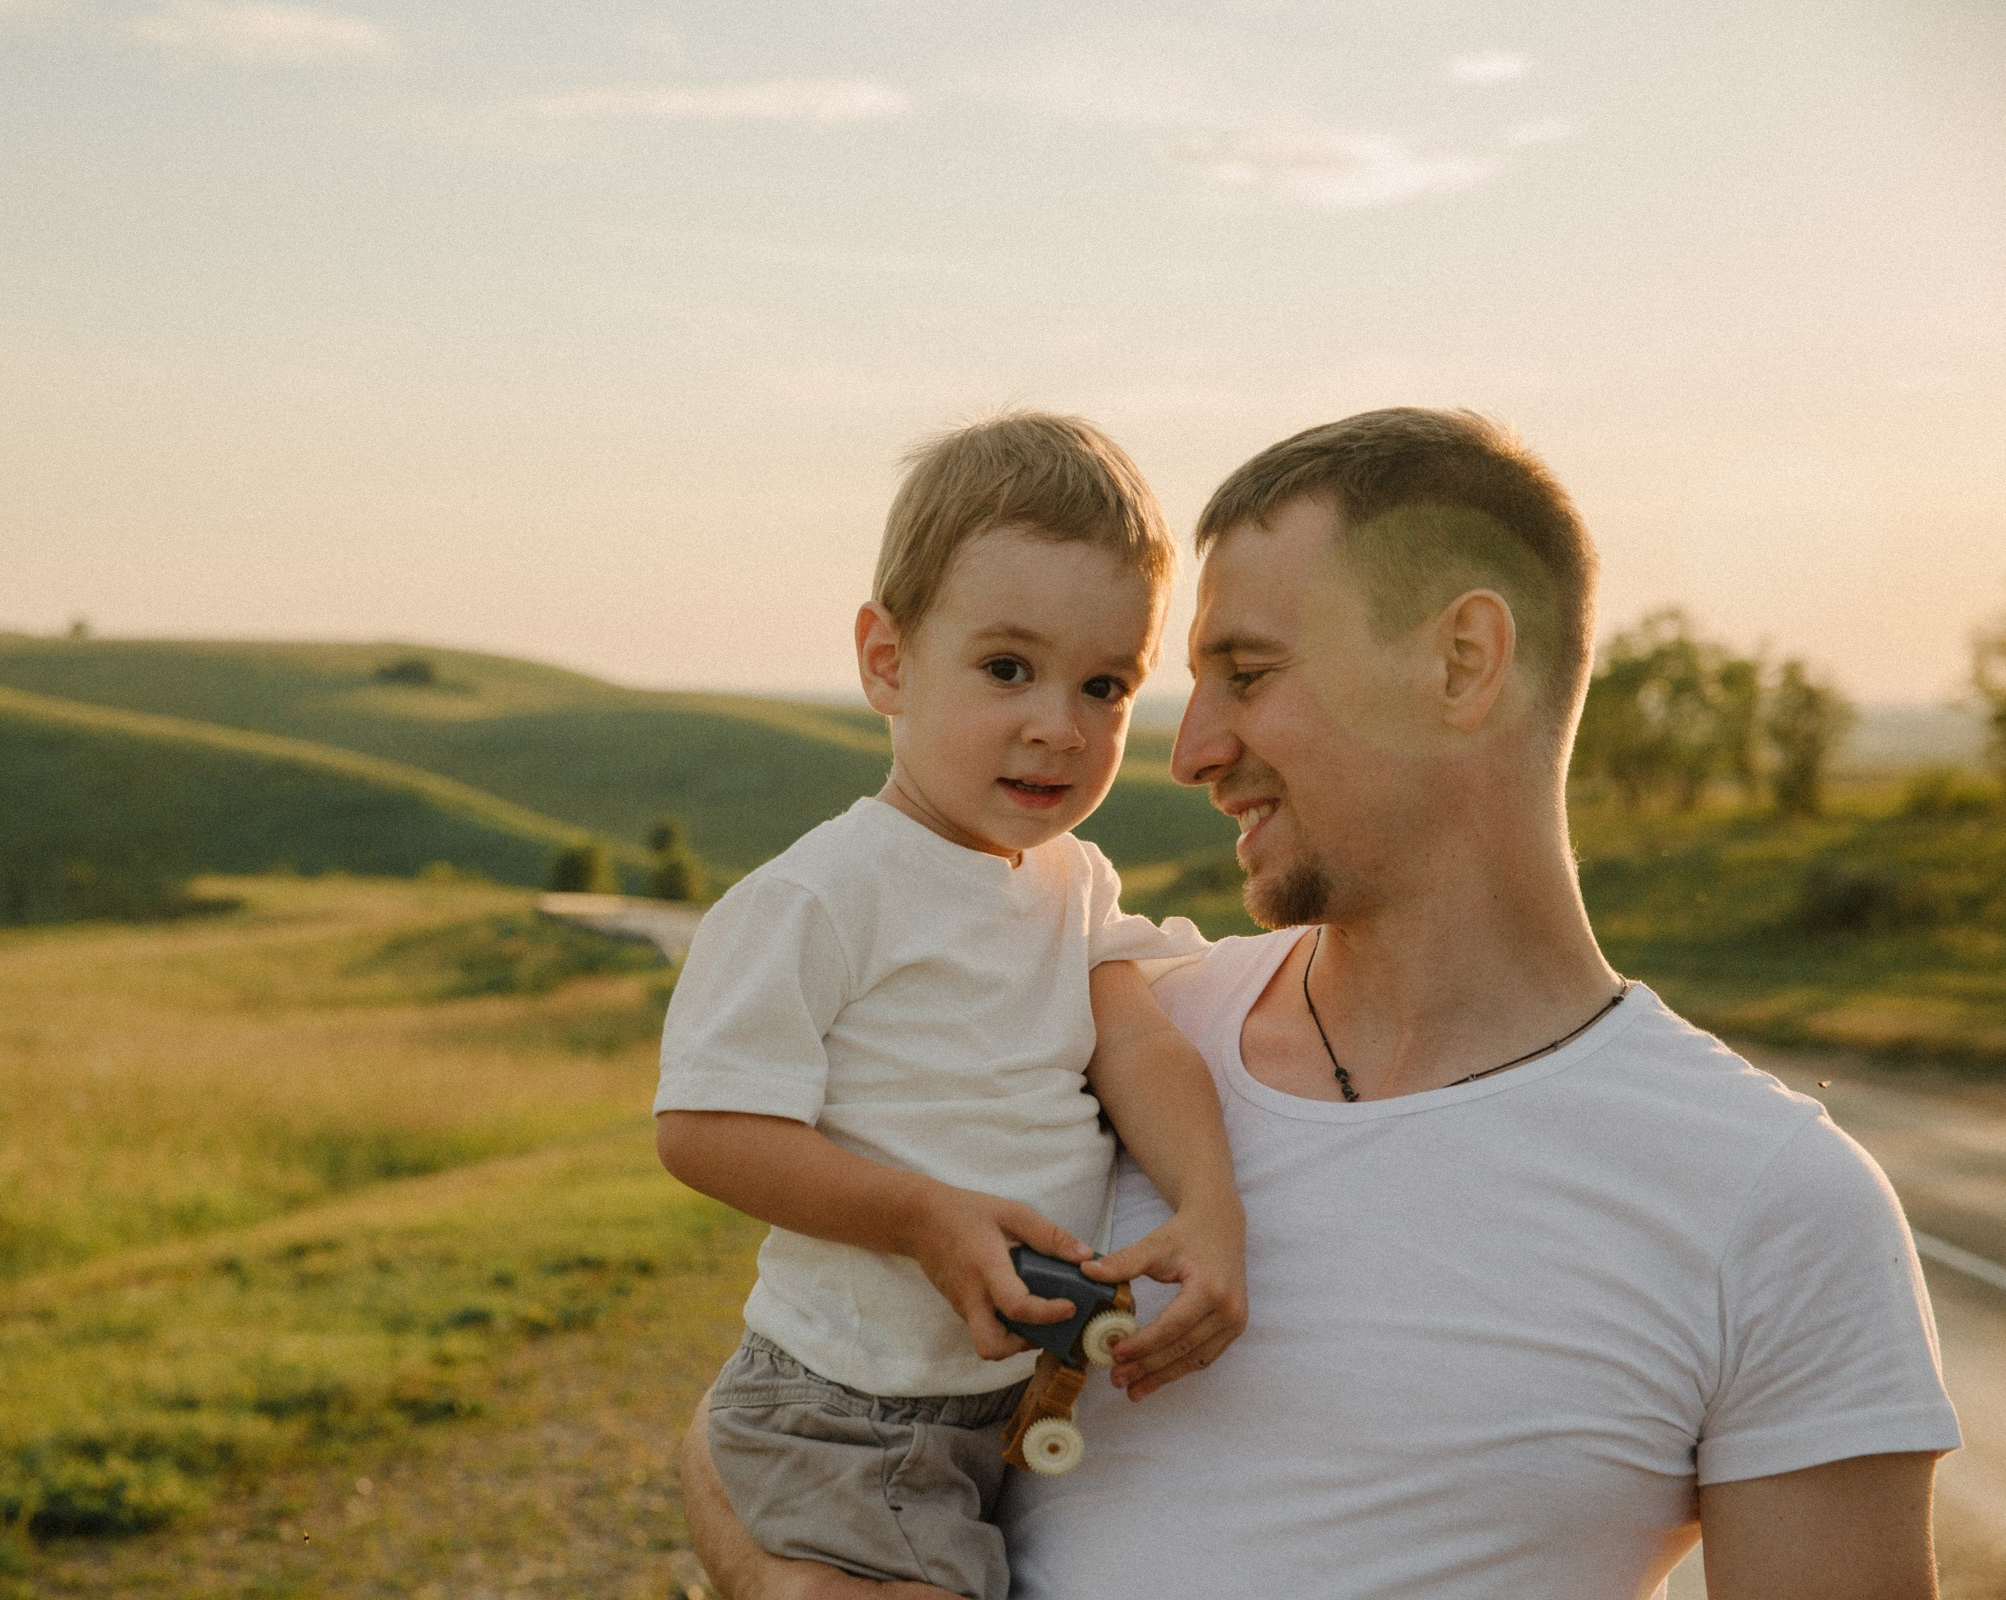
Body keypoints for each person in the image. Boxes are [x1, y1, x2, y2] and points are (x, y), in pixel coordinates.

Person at [680, 407, 1960, 1600]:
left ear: (1465, 663)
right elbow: (778, 1421)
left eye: (1246, 673)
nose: (1186, 754)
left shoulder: (1779, 1208)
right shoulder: (1100, 1026)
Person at [653, 412, 1252, 1600]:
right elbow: (705, 1127)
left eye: (1104, 684)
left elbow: (1137, 1042)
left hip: (1004, 1404)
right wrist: (922, 1216)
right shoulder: (822, 893)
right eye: (1006, 668)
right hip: (841, 1409)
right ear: (887, 659)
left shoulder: (1075, 884)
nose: (1057, 725)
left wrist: (1211, 1204)